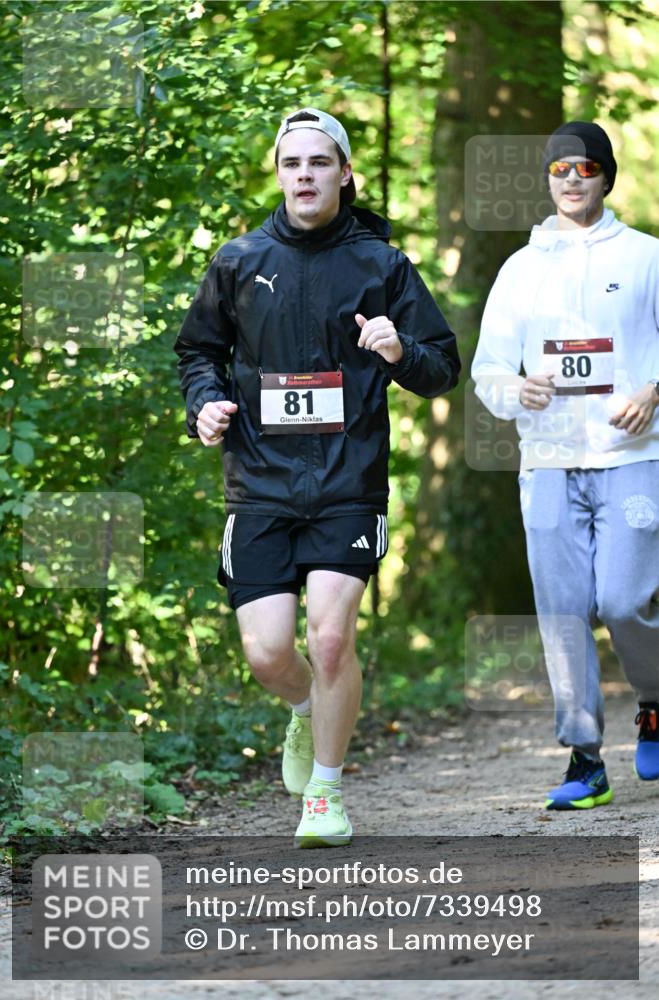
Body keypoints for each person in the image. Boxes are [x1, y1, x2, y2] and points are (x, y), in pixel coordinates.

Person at [174, 108, 460, 845]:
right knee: (269, 652)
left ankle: (325, 796)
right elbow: (197, 352)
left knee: (330, 641)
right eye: (291, 163)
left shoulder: (381, 266)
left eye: (318, 162)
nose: (304, 174)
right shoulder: (237, 262)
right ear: (279, 174)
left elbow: (440, 369)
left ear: (343, 174)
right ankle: (306, 711)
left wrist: (400, 352)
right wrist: (205, 405)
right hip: (260, 484)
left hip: (346, 483)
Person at [472, 121, 659, 810]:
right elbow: (489, 369)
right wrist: (513, 391)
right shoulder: (520, 269)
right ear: (548, 180)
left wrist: (652, 390)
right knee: (560, 611)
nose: (571, 177)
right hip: (547, 459)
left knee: (621, 600)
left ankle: (655, 699)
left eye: (584, 166)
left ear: (606, 177)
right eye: (559, 169)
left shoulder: (645, 257)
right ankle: (583, 760)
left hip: (633, 456)